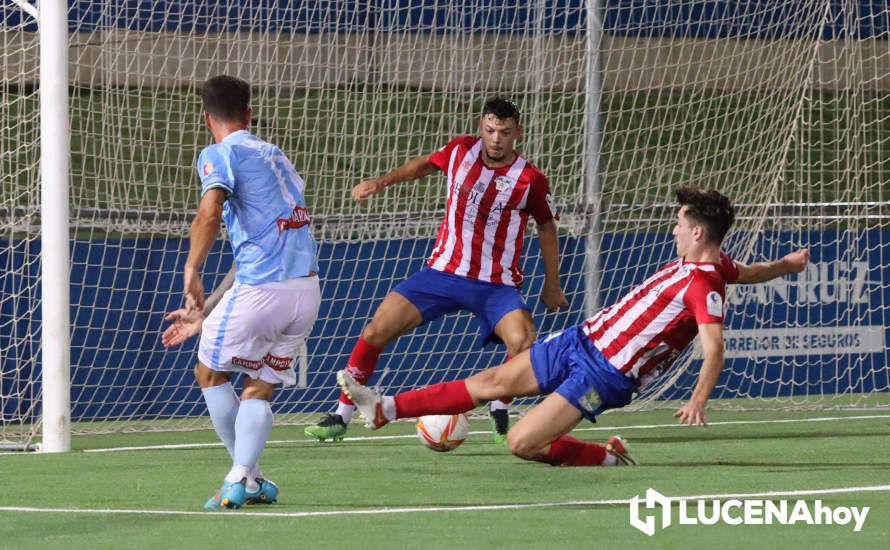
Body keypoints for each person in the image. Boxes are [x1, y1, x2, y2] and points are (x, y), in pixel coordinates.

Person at [338, 187, 810, 466]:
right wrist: (786, 265)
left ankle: (608, 455)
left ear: (698, 233)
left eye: (679, 224)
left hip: (603, 375)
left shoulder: (704, 282)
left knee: (523, 443)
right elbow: (748, 271)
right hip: (581, 339)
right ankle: (383, 409)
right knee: (488, 382)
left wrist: (698, 399)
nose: (674, 230)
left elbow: (714, 348)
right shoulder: (716, 264)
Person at [305, 97, 568, 444]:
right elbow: (425, 165)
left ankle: (500, 404)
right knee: (376, 330)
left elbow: (546, 227)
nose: (496, 139)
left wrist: (553, 284)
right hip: (442, 274)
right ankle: (341, 415)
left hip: (495, 285)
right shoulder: (461, 150)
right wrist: (382, 182)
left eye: (504, 132)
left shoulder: (529, 179)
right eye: (490, 130)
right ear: (481, 127)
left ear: (517, 132)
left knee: (523, 341)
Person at [163, 74, 321, 507]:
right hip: (306, 291)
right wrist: (209, 309)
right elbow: (256, 246)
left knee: (210, 373)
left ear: (205, 118)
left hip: (261, 290)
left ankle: (239, 477)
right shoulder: (277, 156)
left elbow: (210, 211)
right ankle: (249, 480)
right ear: (250, 114)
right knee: (260, 385)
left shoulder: (218, 153)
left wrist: (192, 269)